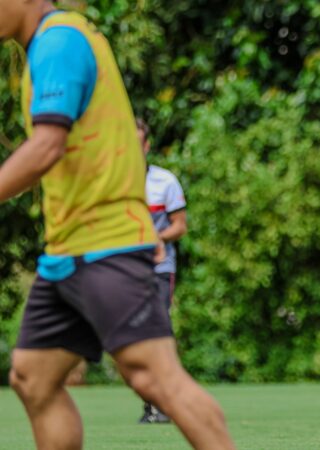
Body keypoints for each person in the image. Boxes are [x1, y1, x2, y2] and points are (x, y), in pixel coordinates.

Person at [0, 2, 235, 449]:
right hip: (68, 249)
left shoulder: (59, 42)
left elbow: (46, 146)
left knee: (155, 377)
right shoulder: (52, 43)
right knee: (33, 377)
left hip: (108, 243)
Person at [136, 119, 189, 424]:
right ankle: (152, 403)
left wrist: (157, 238)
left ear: (147, 146)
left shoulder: (164, 181)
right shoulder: (111, 182)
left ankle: (168, 402)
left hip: (159, 267)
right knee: (135, 336)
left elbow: (180, 226)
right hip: (125, 270)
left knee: (159, 330)